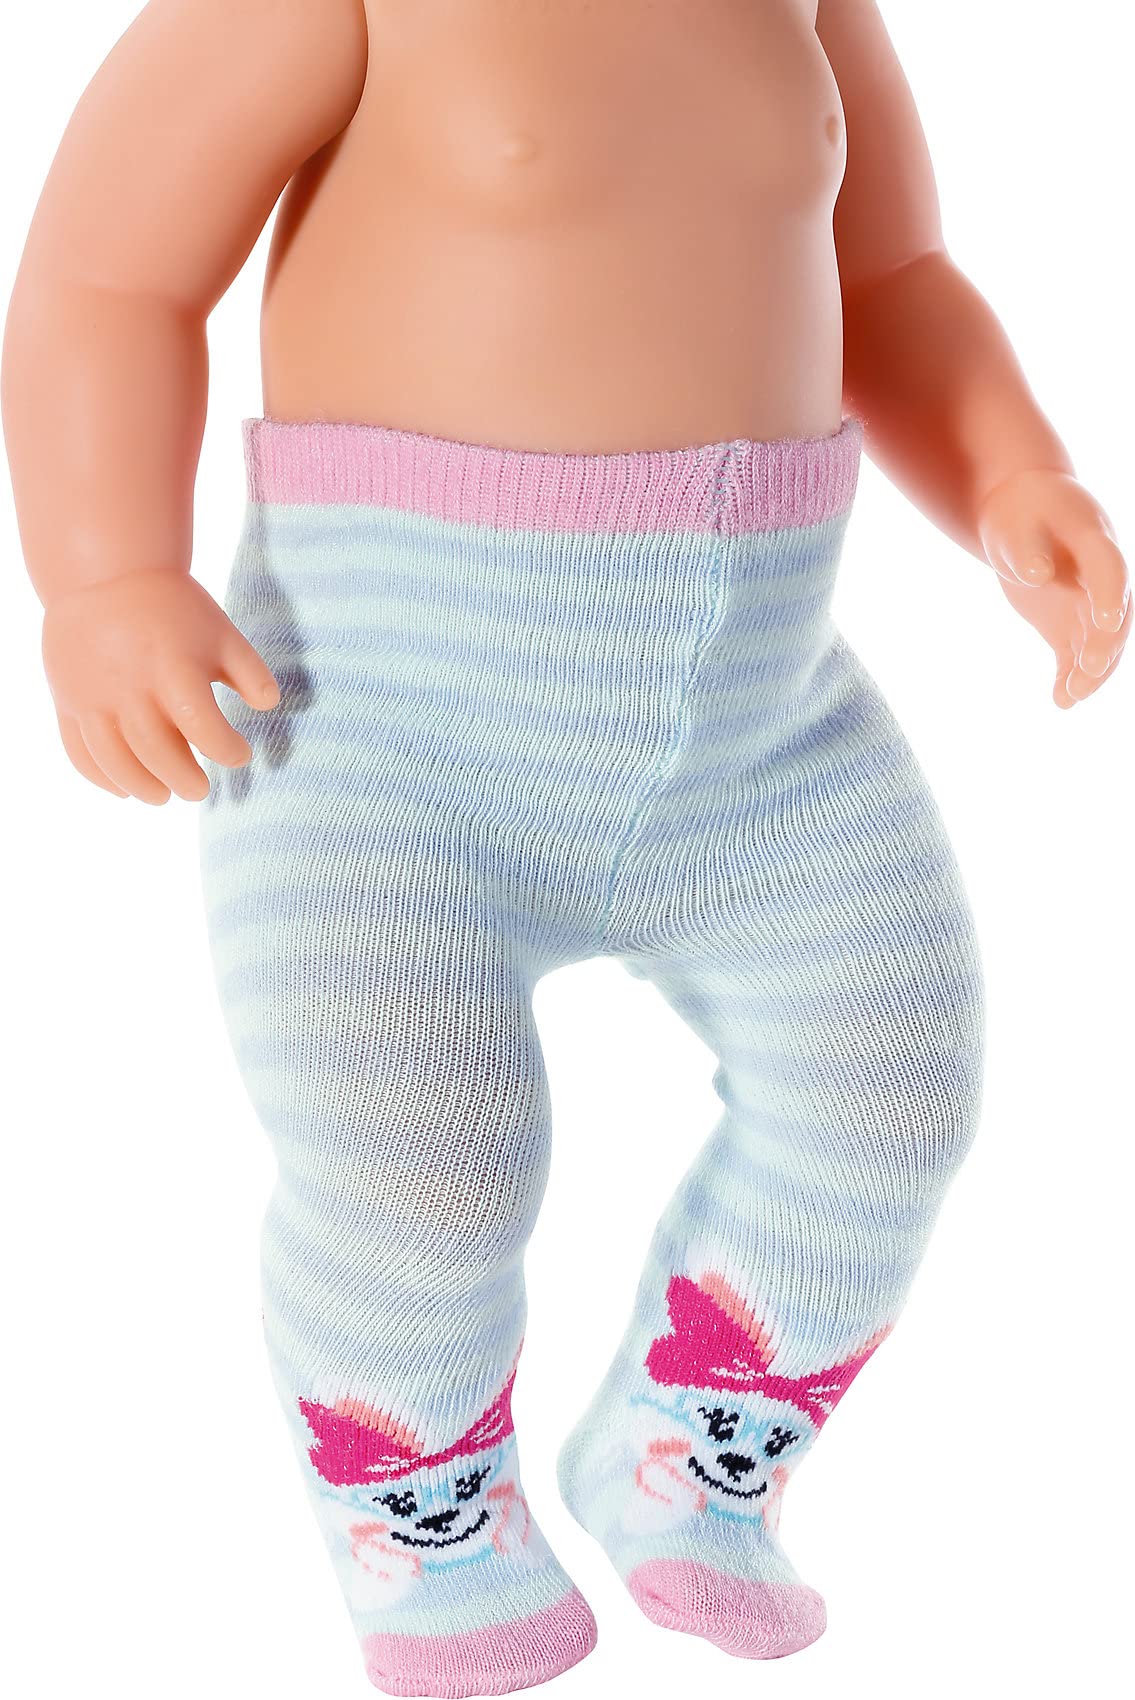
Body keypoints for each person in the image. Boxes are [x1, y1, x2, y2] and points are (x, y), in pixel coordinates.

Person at [3, 3, 1128, 1695]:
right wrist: (104, 577)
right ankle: (425, 1511)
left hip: (758, 715)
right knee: (422, 1161)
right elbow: (108, 273)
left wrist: (1012, 475)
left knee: (892, 1082)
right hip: (382, 722)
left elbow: (893, 277)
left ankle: (693, 1450)